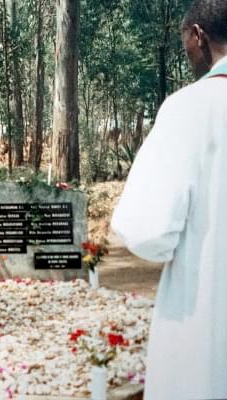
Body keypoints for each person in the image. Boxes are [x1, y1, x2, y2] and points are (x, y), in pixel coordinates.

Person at [111, 1, 227, 399]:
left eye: (185, 43)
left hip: (206, 325)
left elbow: (148, 231)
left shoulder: (189, 109)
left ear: (198, 35)